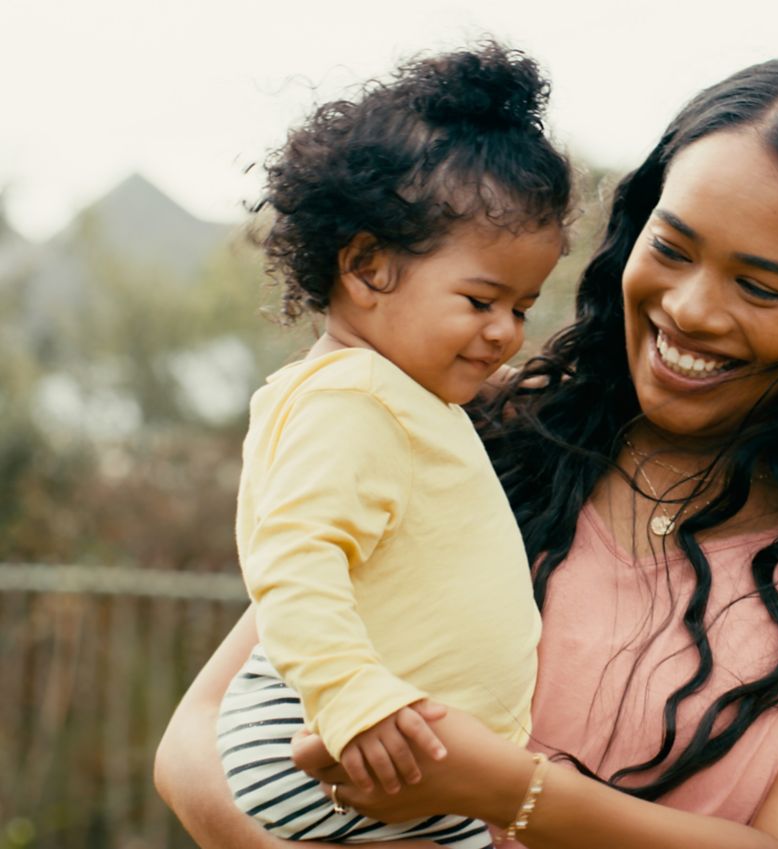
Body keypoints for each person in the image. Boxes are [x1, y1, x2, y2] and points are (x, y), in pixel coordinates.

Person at [157, 55, 778, 849]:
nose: (689, 309)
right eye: (672, 249)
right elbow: (197, 736)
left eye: (760, 287)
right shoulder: (467, 424)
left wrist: (506, 790)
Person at [211, 42, 572, 848]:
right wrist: (351, 696)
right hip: (327, 734)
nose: (506, 332)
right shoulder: (351, 401)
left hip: (378, 735)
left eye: (522, 306)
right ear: (368, 265)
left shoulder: (401, 395)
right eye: (482, 299)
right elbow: (294, 555)